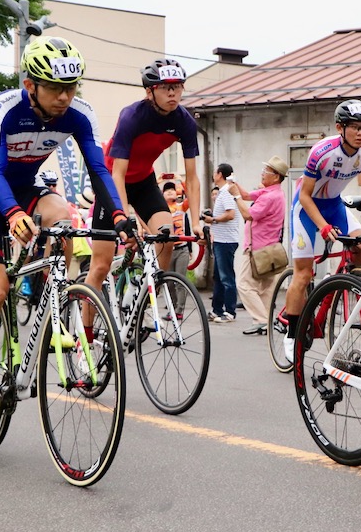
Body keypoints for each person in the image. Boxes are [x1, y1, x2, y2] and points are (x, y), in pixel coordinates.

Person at [0, 36, 135, 439]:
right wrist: (13, 213)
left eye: (71, 87)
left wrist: (120, 214)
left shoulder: (79, 114)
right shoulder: (4, 108)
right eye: (55, 88)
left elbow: (98, 170)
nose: (64, 97)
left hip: (31, 187)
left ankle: (50, 295)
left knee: (63, 218)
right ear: (30, 85)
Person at [85, 59, 202, 325]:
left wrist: (196, 222)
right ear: (149, 92)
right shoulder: (132, 116)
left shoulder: (185, 121)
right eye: (165, 87)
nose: (173, 93)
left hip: (144, 180)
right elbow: (118, 174)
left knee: (167, 237)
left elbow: (192, 178)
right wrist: (123, 216)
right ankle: (87, 338)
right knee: (101, 266)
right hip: (112, 181)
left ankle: (146, 295)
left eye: (178, 87)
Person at [282, 101, 361, 359]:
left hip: (334, 205)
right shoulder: (322, 151)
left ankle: (337, 290)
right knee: (304, 274)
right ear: (340, 128)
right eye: (355, 128)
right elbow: (305, 196)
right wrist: (323, 226)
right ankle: (292, 334)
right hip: (306, 209)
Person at [233, 156, 289, 336]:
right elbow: (247, 196)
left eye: (267, 171)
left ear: (276, 176)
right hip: (270, 248)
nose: (262, 174)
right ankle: (265, 322)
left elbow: (248, 214)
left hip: (257, 248)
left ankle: (262, 320)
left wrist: (234, 195)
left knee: (244, 284)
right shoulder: (272, 192)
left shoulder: (269, 196)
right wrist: (235, 185)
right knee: (265, 288)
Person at [206, 164, 241, 323]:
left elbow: (231, 214)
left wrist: (213, 219)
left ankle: (230, 312)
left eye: (215, 172)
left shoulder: (226, 191)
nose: (213, 174)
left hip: (226, 241)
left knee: (226, 277)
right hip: (220, 240)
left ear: (220, 174)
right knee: (218, 277)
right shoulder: (223, 191)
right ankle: (217, 310)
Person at [162, 181, 193, 318]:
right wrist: (157, 180)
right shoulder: (161, 209)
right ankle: (173, 308)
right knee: (168, 282)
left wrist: (180, 180)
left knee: (180, 281)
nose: (169, 192)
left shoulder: (181, 207)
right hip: (167, 250)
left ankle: (179, 310)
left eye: (172, 190)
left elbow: (191, 196)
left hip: (182, 248)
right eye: (166, 190)